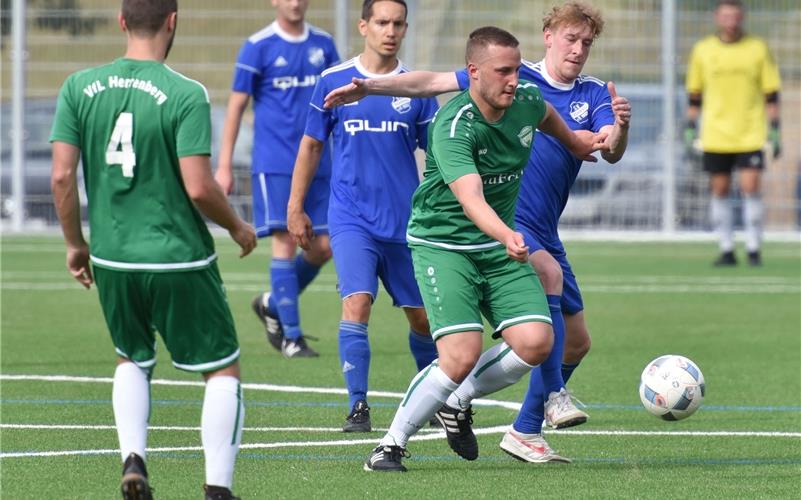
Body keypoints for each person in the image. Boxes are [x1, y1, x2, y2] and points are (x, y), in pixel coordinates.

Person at [326, 2, 630, 464]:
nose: (513, 80)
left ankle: (463, 398)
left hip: (504, 237)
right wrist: (370, 87)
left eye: (587, 42)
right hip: (453, 241)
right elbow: (470, 195)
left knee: (544, 341)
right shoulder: (456, 123)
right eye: (571, 38)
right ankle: (392, 443)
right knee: (466, 347)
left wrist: (584, 139)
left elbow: (560, 121)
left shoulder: (530, 97)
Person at [49, 1, 256, 498]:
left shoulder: (78, 87)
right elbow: (199, 187)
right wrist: (238, 227)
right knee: (221, 370)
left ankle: (134, 460)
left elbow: (60, 176)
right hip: (178, 255)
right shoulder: (185, 93)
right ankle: (217, 489)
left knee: (131, 358)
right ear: (173, 21)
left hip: (113, 256)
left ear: (122, 22)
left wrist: (77, 245)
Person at [287, 0, 440, 433]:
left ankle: (427, 402)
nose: (390, 31)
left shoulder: (415, 89)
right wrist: (295, 207)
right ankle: (358, 406)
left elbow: (440, 154)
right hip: (351, 218)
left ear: (405, 28)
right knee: (356, 304)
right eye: (382, 23)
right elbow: (311, 145)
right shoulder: (333, 81)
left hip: (405, 223)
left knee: (422, 319)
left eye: (398, 24)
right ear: (364, 26)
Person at [217, 0, 340, 357]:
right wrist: (223, 165)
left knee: (324, 246)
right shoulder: (258, 46)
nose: (295, 2)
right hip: (275, 162)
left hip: (319, 160)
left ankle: (273, 303)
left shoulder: (324, 44)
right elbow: (236, 106)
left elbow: (340, 101)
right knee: (286, 240)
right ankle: (291, 337)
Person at [684, 0, 782, 267]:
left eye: (735, 16)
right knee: (720, 190)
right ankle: (726, 249)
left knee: (751, 187)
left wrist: (775, 129)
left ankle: (753, 248)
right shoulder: (703, 50)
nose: (731, 21)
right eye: (726, 16)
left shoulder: (757, 48)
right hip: (715, 133)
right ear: (718, 17)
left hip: (750, 132)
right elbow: (695, 94)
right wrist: (690, 127)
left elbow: (771, 92)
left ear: (742, 17)